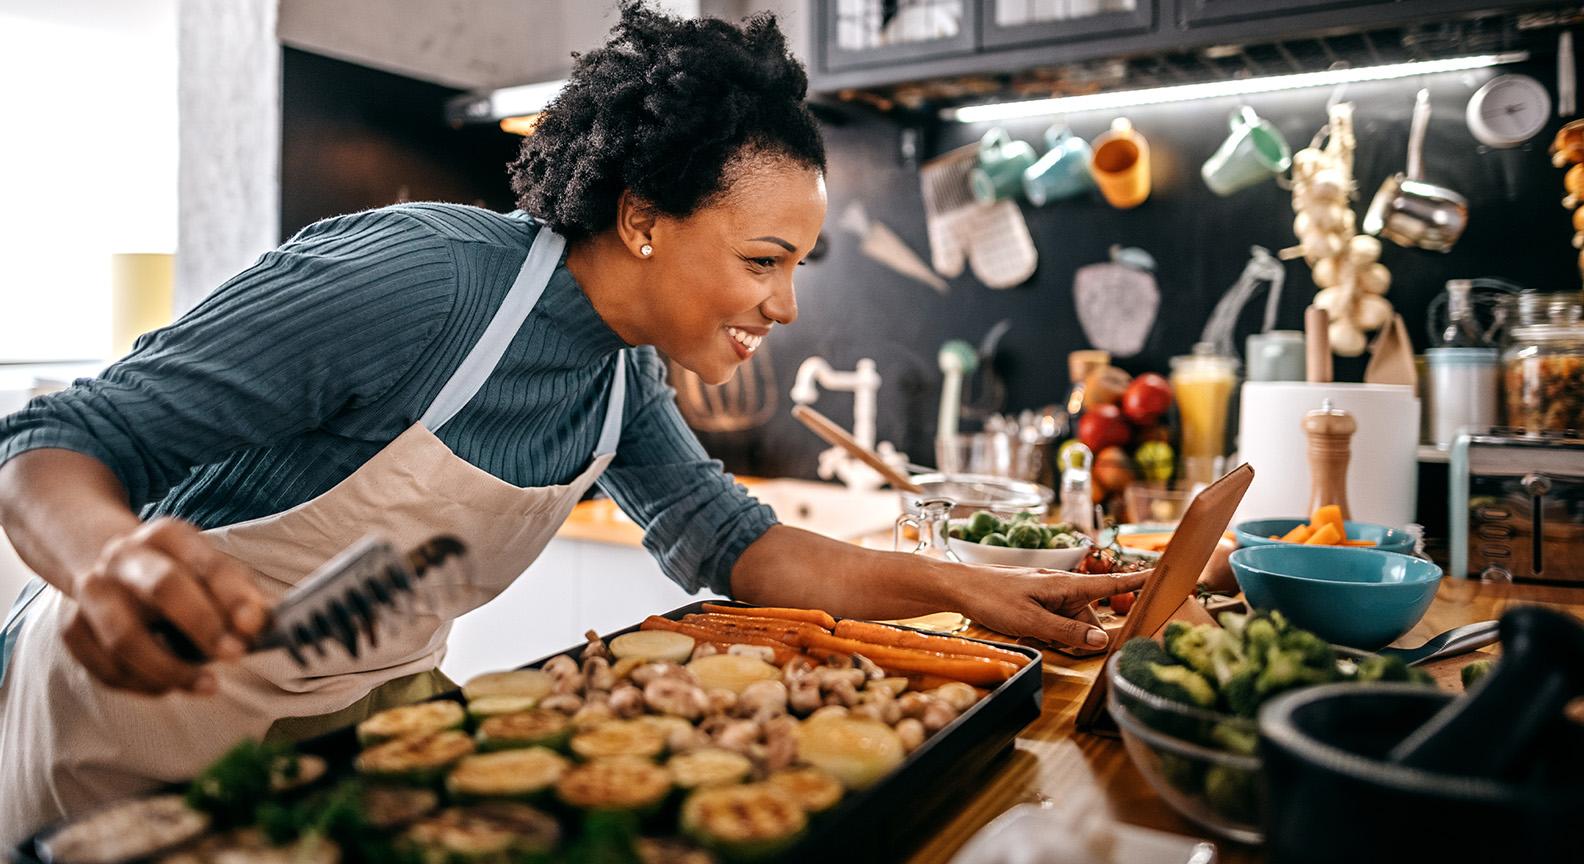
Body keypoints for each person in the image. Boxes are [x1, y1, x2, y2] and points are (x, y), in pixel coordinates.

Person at [0, 2, 1144, 838]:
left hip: (358, 733)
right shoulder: (423, 280)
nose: (786, 306)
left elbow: (737, 547)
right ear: (643, 215)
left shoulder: (622, 373)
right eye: (762, 260)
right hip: (136, 727)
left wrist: (975, 594)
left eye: (797, 265)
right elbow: (56, 444)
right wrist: (110, 561)